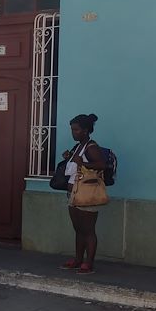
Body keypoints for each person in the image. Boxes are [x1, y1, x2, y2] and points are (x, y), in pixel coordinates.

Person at [60, 114, 107, 275]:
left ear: (85, 130)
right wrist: (69, 158)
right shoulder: (78, 146)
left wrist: (83, 163)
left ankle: (89, 263)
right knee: (78, 229)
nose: (73, 133)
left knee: (88, 230)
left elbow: (101, 165)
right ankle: (78, 259)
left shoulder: (91, 146)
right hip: (73, 193)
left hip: (87, 194)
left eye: (76, 130)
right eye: (72, 129)